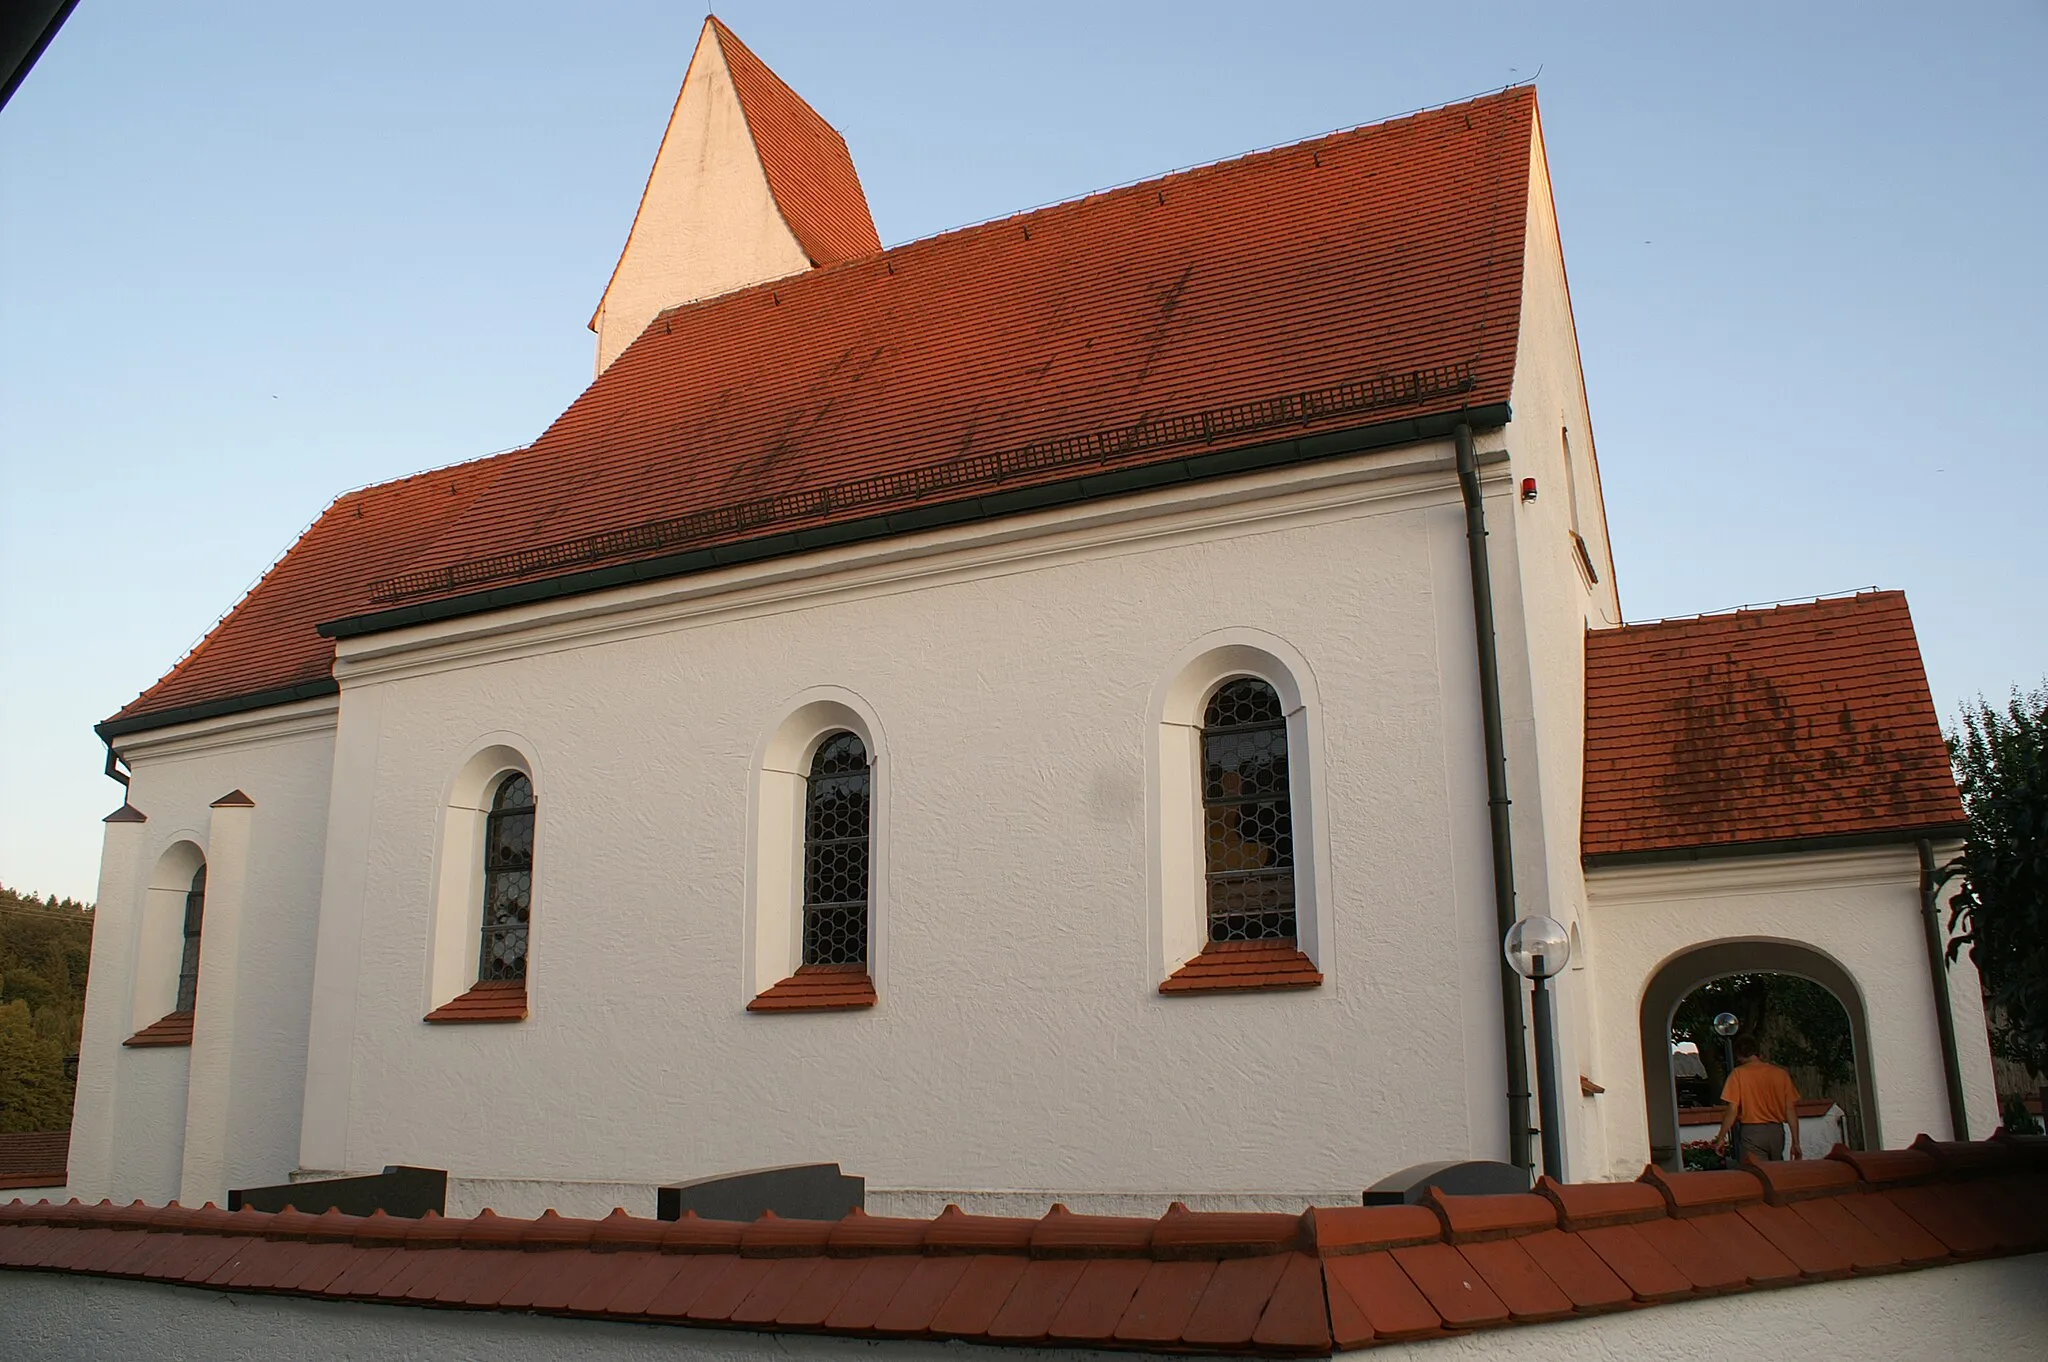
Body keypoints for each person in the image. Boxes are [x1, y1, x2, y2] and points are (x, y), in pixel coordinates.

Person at [1713, 1036, 1803, 1161]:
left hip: (1752, 1131)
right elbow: (1790, 1110)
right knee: (1776, 1172)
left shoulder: (1738, 1074)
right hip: (1776, 1131)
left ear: (1738, 1055)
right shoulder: (1780, 1074)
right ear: (1757, 1052)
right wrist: (1796, 1142)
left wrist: (1721, 1137)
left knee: (1757, 1173)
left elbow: (1732, 1109)